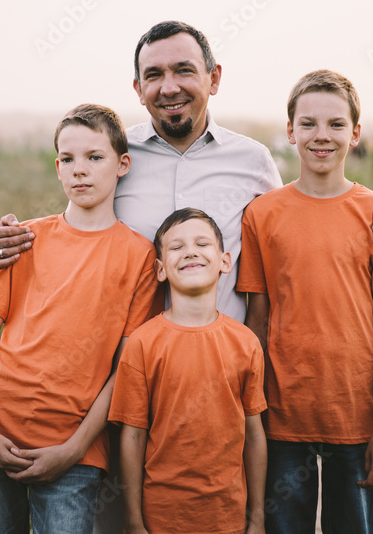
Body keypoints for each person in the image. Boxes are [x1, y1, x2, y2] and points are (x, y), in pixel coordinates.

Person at [0, 21, 373, 529]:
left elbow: (300, 229)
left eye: (184, 70)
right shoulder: (120, 158)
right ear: (138, 89)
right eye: (154, 74)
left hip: (223, 386)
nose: (169, 85)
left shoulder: (253, 162)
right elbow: (78, 223)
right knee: (127, 520)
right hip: (123, 386)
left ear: (213, 77)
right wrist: (15, 239)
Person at [0, 104, 160, 534]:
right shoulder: (26, 238)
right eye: (68, 159)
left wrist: (75, 448)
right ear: (57, 167)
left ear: (123, 164)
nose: (79, 170)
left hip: (72, 453)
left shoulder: (139, 255)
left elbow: (122, 371)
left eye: (94, 157)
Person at [237, 70, 373, 534]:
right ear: (290, 130)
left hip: (354, 412)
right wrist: (249, 409)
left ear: (355, 134)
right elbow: (258, 316)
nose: (322, 136)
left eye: (336, 124)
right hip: (281, 412)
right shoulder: (262, 214)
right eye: (308, 123)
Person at [109, 208, 267, 534]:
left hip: (229, 516)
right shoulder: (142, 344)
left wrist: (258, 517)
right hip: (160, 517)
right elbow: (133, 437)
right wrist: (134, 521)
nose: (191, 251)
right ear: (160, 269)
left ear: (225, 261)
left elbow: (254, 435)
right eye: (177, 247)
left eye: (201, 244)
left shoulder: (246, 343)